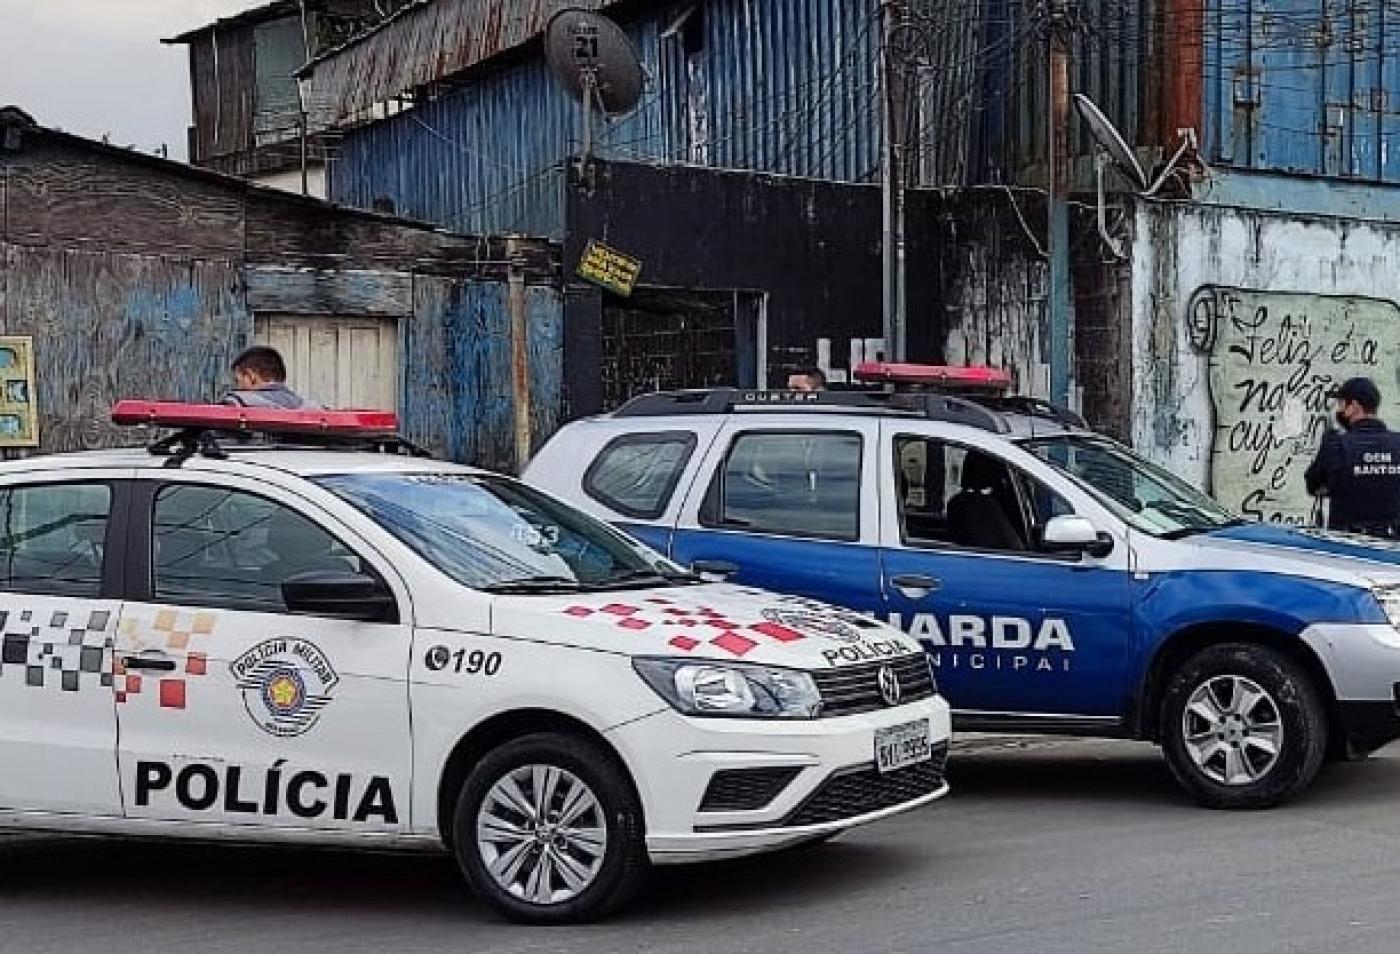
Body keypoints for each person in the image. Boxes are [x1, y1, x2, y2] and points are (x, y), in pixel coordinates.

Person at [1304, 377, 1400, 536]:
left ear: (1354, 406)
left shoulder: (1336, 444)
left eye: (1341, 404)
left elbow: (1313, 485)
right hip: (1392, 549)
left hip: (1348, 547)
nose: (1339, 410)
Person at [224, 346, 322, 409]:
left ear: (250, 376)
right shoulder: (314, 408)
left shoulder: (236, 403)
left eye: (237, 381)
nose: (238, 387)